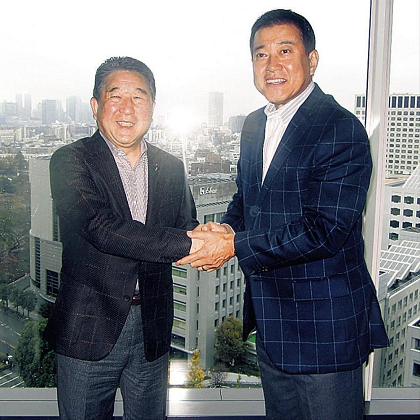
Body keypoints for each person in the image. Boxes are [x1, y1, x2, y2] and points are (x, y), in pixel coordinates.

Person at [177, 9, 388, 420]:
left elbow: (326, 230)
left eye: (285, 51)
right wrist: (224, 229)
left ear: (312, 59)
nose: (271, 65)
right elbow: (247, 199)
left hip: (323, 327)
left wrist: (233, 245)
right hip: (271, 322)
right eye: (261, 54)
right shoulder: (254, 124)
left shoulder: (339, 127)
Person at [44, 56, 200, 420]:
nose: (127, 108)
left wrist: (214, 237)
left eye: (138, 97)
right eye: (115, 96)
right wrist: (193, 244)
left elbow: (187, 227)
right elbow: (100, 227)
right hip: (88, 326)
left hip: (152, 326)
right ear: (95, 106)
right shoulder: (70, 160)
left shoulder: (172, 167)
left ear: (153, 107)